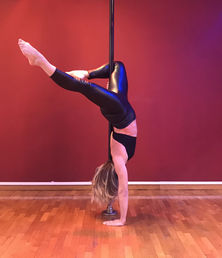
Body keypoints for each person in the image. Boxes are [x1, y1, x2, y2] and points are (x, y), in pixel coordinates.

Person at [18, 39, 137, 226]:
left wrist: (118, 212)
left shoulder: (121, 157)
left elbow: (122, 189)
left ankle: (41, 62)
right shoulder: (118, 160)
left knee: (84, 86)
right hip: (119, 106)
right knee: (115, 66)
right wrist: (121, 220)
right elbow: (123, 189)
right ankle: (83, 72)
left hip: (120, 109)